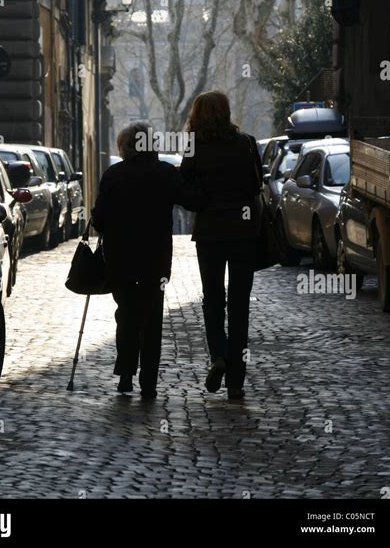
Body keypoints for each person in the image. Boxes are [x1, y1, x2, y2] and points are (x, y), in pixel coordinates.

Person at [91, 121, 206, 400]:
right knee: (152, 317)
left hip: (120, 258)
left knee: (126, 313)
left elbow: (99, 220)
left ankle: (126, 374)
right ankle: (149, 382)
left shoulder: (113, 175)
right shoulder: (165, 173)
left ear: (125, 146)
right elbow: (191, 200)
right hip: (155, 259)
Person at [180, 92, 263, 401]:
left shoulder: (193, 146)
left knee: (213, 300)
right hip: (243, 232)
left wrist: (203, 201)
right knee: (240, 305)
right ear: (226, 112)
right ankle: (236, 382)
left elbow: (184, 188)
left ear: (197, 115)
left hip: (210, 232)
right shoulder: (246, 143)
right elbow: (256, 184)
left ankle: (218, 354)